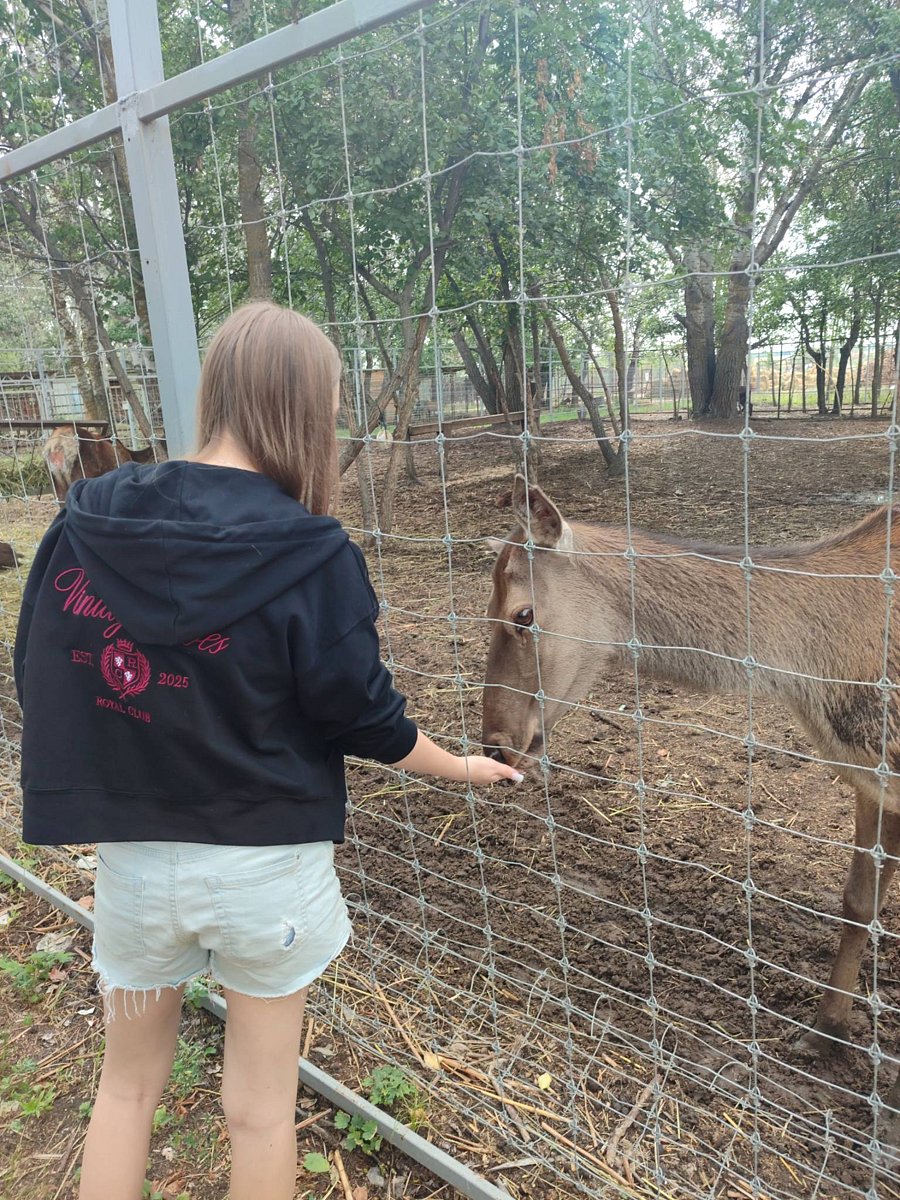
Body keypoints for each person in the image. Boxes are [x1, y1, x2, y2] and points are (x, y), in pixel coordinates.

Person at [14, 301, 522, 1200]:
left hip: (133, 866)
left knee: (125, 1089)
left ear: (217, 392)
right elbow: (364, 718)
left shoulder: (86, 525)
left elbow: (42, 665)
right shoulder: (313, 554)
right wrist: (463, 766)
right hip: (267, 876)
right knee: (259, 1111)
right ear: (304, 412)